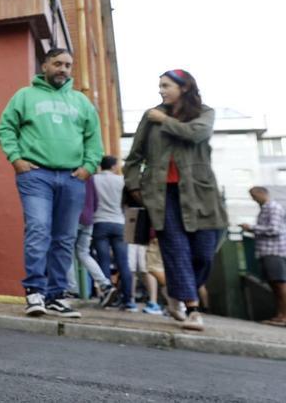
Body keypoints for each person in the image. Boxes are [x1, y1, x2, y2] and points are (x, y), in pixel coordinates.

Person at [0, 48, 102, 319]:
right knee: (39, 229)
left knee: (65, 238)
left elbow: (93, 138)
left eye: (68, 65)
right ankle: (35, 291)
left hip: (72, 177)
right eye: (58, 63)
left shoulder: (81, 102)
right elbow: (6, 128)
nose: (63, 69)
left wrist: (88, 167)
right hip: (35, 175)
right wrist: (16, 159)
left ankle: (56, 296)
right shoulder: (24, 96)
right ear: (45, 65)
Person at [124, 69, 226, 332]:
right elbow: (135, 156)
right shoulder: (151, 116)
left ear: (184, 87)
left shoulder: (204, 113)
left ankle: (176, 294)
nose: (161, 90)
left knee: (204, 252)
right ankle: (192, 309)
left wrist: (164, 120)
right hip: (161, 194)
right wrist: (135, 185)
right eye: (159, 85)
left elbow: (196, 134)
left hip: (200, 193)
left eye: (166, 85)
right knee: (176, 248)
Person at [91, 156, 133, 309]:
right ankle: (128, 300)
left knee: (103, 261)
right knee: (123, 263)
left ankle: (106, 297)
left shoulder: (93, 180)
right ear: (114, 166)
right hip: (119, 223)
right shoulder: (121, 180)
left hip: (99, 222)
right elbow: (128, 202)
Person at [65, 168, 111, 302]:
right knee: (84, 253)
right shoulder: (89, 176)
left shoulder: (68, 174)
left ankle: (71, 289)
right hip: (88, 219)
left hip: (72, 217)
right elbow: (96, 202)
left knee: (67, 252)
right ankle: (105, 284)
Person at [242, 186, 286, 326]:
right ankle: (280, 315)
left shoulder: (273, 208)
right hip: (267, 251)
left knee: (279, 284)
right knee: (275, 285)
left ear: (261, 193)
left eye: (253, 196)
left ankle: (284, 316)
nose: (253, 199)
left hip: (274, 251)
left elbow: (274, 229)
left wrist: (252, 228)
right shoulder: (266, 209)